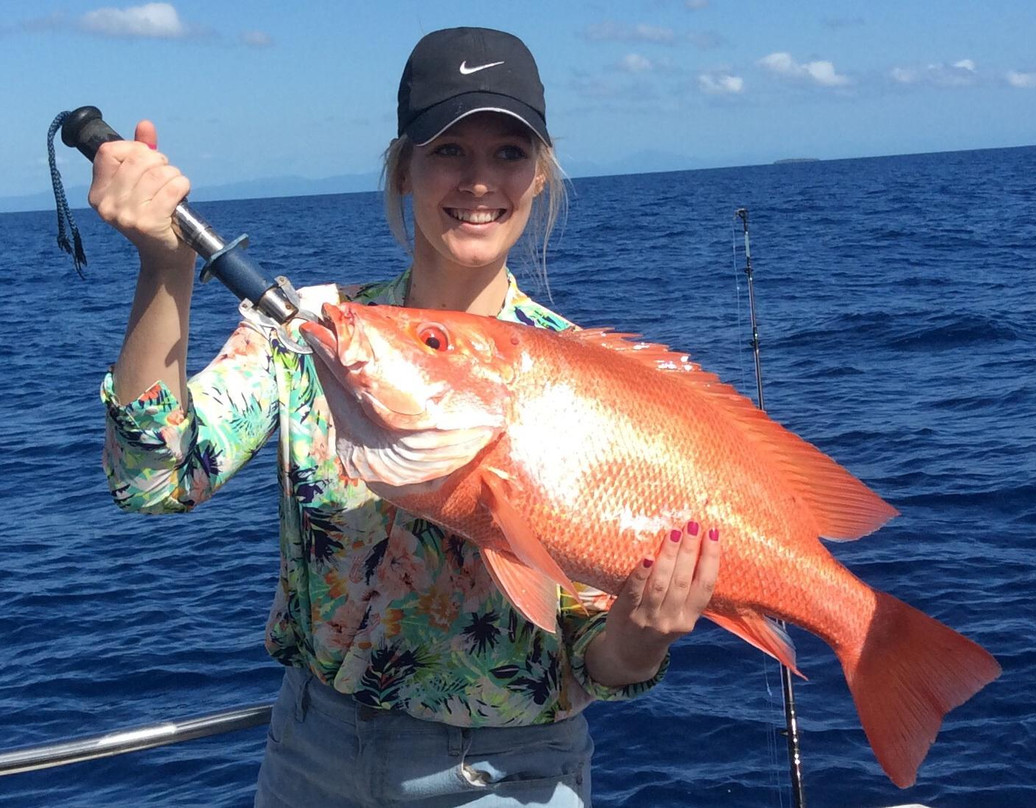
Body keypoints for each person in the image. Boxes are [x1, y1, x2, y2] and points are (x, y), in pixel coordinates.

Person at [91, 27, 721, 807]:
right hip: (310, 758)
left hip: (509, 776)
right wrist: (166, 267)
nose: (480, 180)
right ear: (404, 169)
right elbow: (154, 481)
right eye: (449, 150)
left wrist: (647, 633)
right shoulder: (316, 331)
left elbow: (599, 664)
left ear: (541, 175)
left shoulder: (584, 380)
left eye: (508, 153)